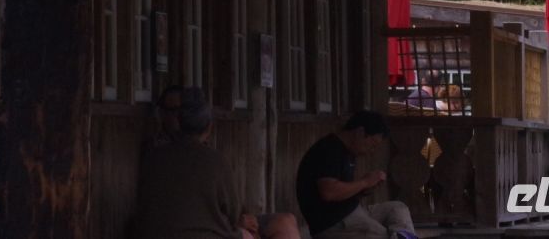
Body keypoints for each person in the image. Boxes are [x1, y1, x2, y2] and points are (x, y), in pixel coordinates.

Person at [134, 86, 301, 239]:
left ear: (180, 121)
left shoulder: (155, 157)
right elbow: (232, 213)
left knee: (285, 221)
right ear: (209, 127)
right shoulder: (213, 161)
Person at [295, 110, 416, 239]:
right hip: (334, 223)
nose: (372, 151)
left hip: (353, 212)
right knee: (385, 236)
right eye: (373, 144)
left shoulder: (347, 152)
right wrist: (364, 182)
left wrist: (364, 189)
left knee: (397, 208)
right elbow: (329, 192)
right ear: (360, 132)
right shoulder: (329, 150)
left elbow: (342, 190)